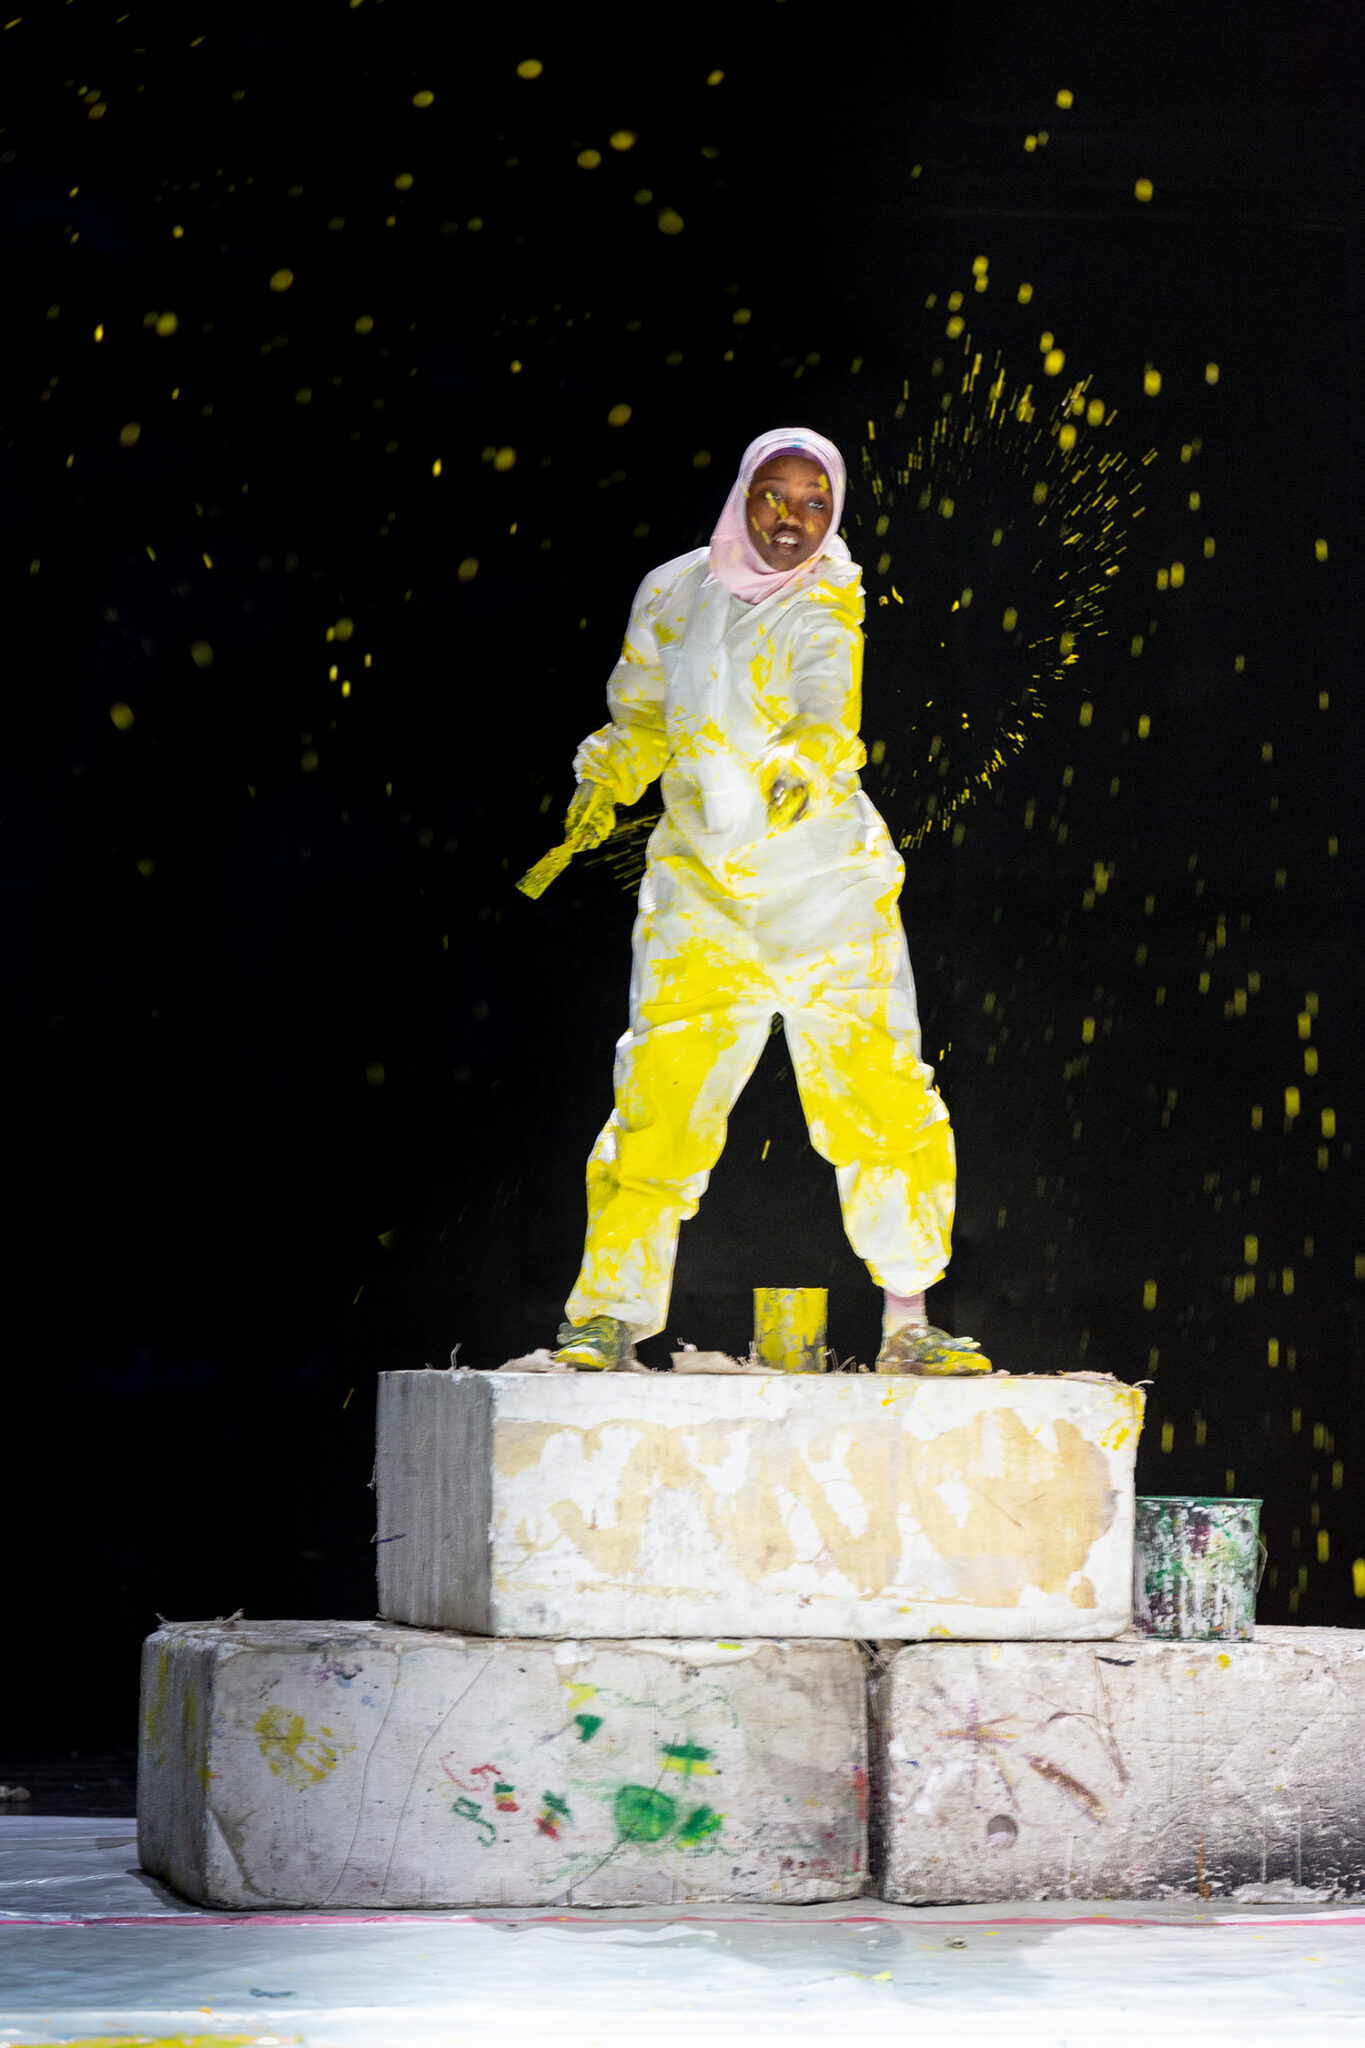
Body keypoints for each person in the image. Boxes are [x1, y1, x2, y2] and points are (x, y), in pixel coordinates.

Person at [550, 427, 987, 1376]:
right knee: (659, 1098)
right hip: (700, 895)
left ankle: (908, 1322)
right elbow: (642, 714)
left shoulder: (829, 591)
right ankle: (608, 1317)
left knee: (880, 1097)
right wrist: (605, 777)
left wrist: (806, 756)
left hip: (825, 895)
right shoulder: (672, 591)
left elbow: (826, 696)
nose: (793, 519)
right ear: (742, 496)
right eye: (775, 496)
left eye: (815, 501)